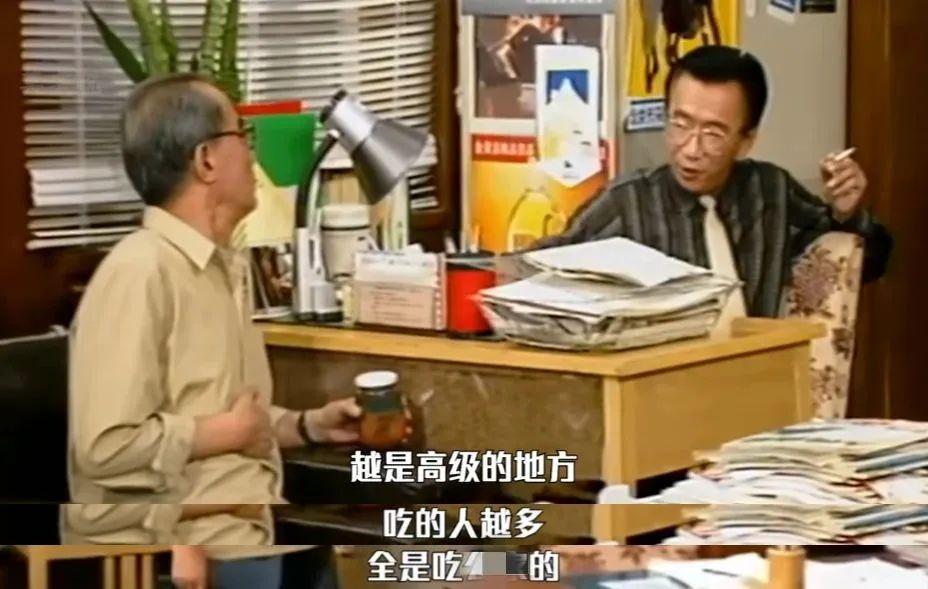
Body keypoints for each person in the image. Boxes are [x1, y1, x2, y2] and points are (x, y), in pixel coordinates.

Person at [62, 73, 362, 587]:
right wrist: (226, 432)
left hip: (256, 527)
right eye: (242, 136)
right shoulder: (139, 272)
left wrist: (307, 426)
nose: (253, 155)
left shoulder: (222, 268)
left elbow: (222, 412)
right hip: (187, 546)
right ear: (206, 160)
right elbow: (106, 446)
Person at [536, 45, 892, 320]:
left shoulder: (770, 190)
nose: (691, 149)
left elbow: (864, 263)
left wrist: (847, 214)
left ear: (747, 140)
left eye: (713, 133)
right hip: (662, 383)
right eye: (680, 124)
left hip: (760, 374)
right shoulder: (627, 202)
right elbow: (545, 269)